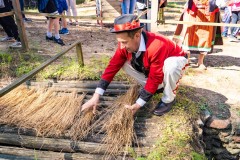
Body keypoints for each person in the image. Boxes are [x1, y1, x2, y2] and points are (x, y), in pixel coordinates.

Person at [81, 14, 188, 116]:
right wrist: (96, 96)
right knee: (122, 64)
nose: (122, 46)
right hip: (156, 67)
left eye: (124, 42)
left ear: (137, 35)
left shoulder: (156, 46)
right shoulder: (125, 43)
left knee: (171, 66)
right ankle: (155, 89)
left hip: (176, 62)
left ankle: (168, 99)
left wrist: (138, 104)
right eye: (120, 42)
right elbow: (112, 67)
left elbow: (155, 76)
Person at [173, 0, 223, 70]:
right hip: (192, 9)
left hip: (209, 10)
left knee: (205, 35)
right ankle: (186, 60)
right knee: (188, 34)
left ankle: (200, 62)